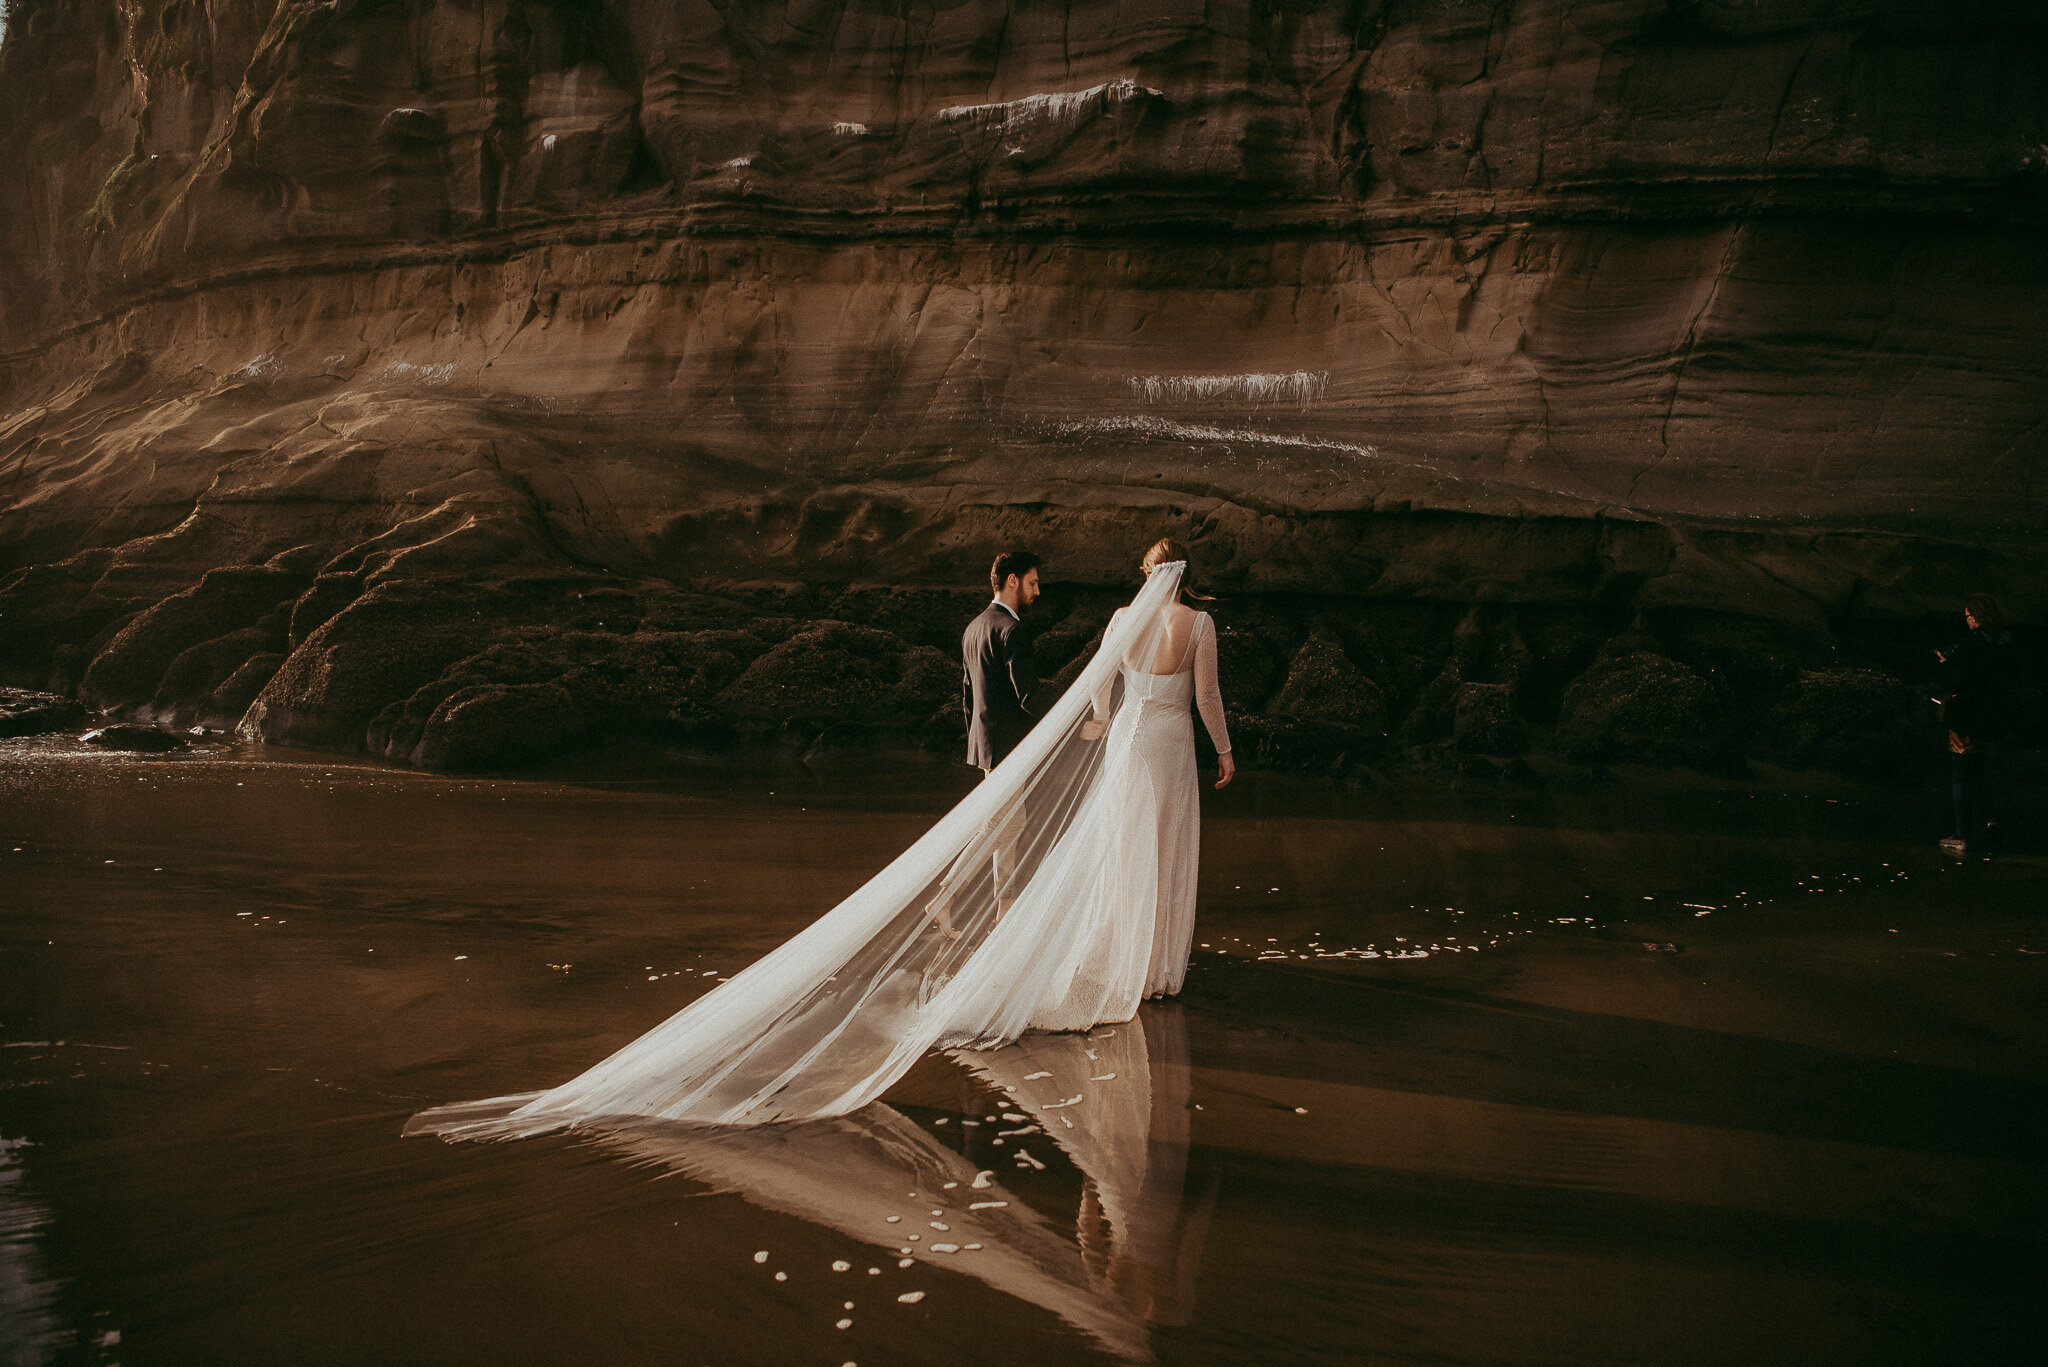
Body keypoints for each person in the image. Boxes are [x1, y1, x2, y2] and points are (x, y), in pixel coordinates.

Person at [406, 540, 1236, 1137]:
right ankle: (1092, 949)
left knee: (1077, 852)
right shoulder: (1175, 629)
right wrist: (1197, 750)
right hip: (1130, 753)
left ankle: (978, 908)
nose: (1041, 589)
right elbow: (1177, 706)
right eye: (1035, 580)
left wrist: (1086, 731)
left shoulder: (1100, 622)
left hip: (1051, 752)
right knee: (1080, 853)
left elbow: (1069, 701)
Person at [1937, 593, 2015, 857]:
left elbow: (1959, 680)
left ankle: (1962, 834)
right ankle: (1991, 826)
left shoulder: (1971, 643)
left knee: (1961, 773)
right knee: (1981, 773)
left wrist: (1947, 664)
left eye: (1968, 615)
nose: (1967, 620)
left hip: (1967, 718)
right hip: (1994, 719)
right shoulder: (2006, 642)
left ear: (1977, 615)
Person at [962, 549, 1043, 772]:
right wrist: (1071, 723)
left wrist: (979, 745)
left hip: (985, 751)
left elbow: (969, 696)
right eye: (1032, 583)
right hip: (1010, 752)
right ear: (1013, 581)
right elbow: (1028, 697)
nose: (1037, 591)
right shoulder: (1013, 630)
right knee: (1017, 810)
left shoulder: (972, 628)